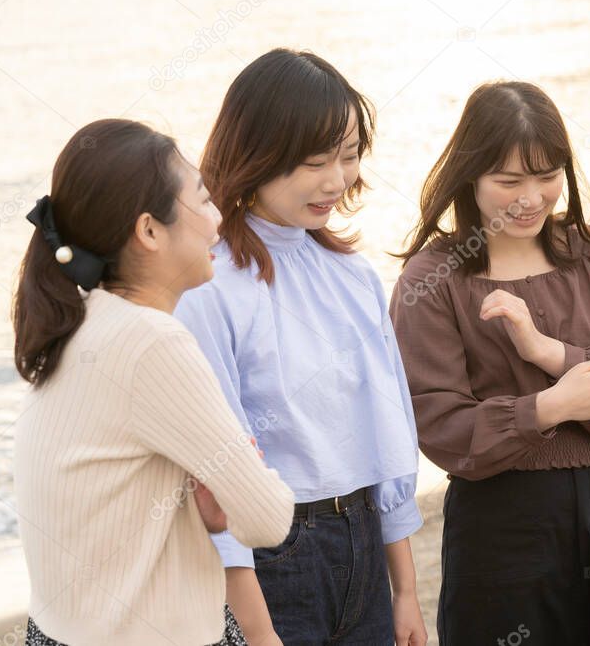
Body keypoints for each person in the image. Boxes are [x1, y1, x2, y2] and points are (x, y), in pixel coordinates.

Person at [390, 80, 590, 645]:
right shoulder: (432, 277)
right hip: (496, 526)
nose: (532, 198)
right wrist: (548, 407)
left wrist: (548, 352)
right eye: (509, 180)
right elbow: (438, 424)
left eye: (547, 176)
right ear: (470, 174)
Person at [175, 49, 427, 646]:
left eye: (348, 156)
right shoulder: (208, 285)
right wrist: (259, 633)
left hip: (363, 540)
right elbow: (216, 469)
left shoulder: (354, 277)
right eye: (315, 161)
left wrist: (408, 592)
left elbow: (388, 435)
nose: (336, 181)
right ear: (257, 156)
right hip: (273, 560)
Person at [12, 118, 295, 646]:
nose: (217, 222)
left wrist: (195, 508)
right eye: (205, 200)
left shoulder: (78, 321)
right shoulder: (152, 343)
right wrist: (246, 478)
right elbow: (268, 520)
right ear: (148, 231)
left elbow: (99, 507)